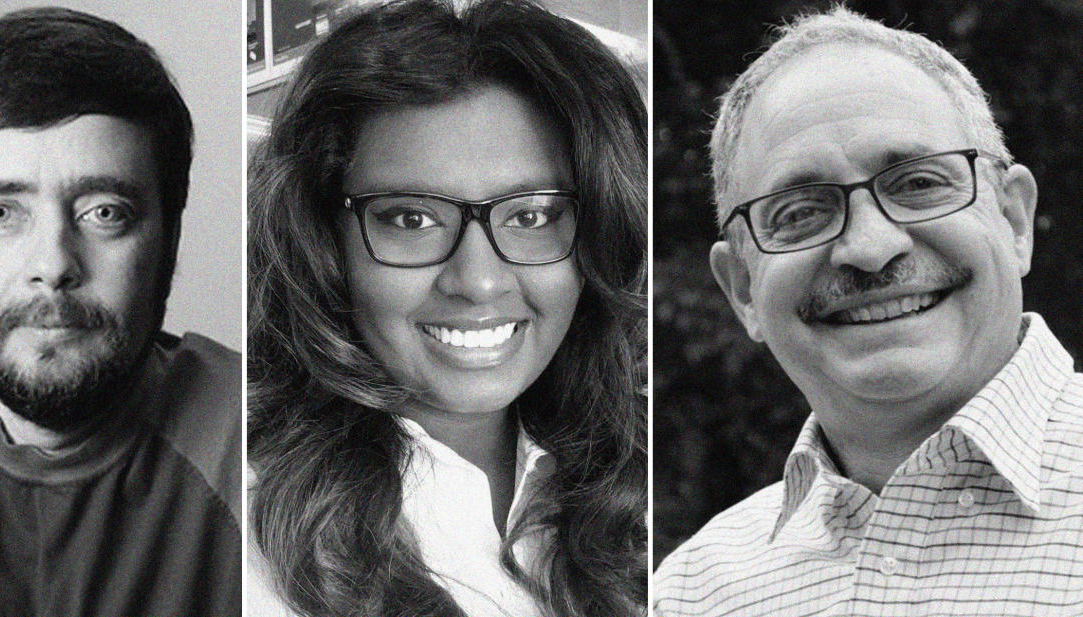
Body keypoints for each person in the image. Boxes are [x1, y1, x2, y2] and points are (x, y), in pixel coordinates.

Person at [653, 6, 1083, 616]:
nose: (872, 248)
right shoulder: (696, 593)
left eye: (916, 184)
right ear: (743, 289)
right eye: (801, 212)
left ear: (1014, 220)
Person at [247, 0, 647, 615]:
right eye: (412, 218)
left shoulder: (637, 484)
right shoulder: (241, 543)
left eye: (532, 216)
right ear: (323, 240)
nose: (479, 281)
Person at [0, 8, 241, 615]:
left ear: (169, 241)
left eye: (105, 212)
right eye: (0, 213)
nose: (53, 264)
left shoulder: (258, 444)